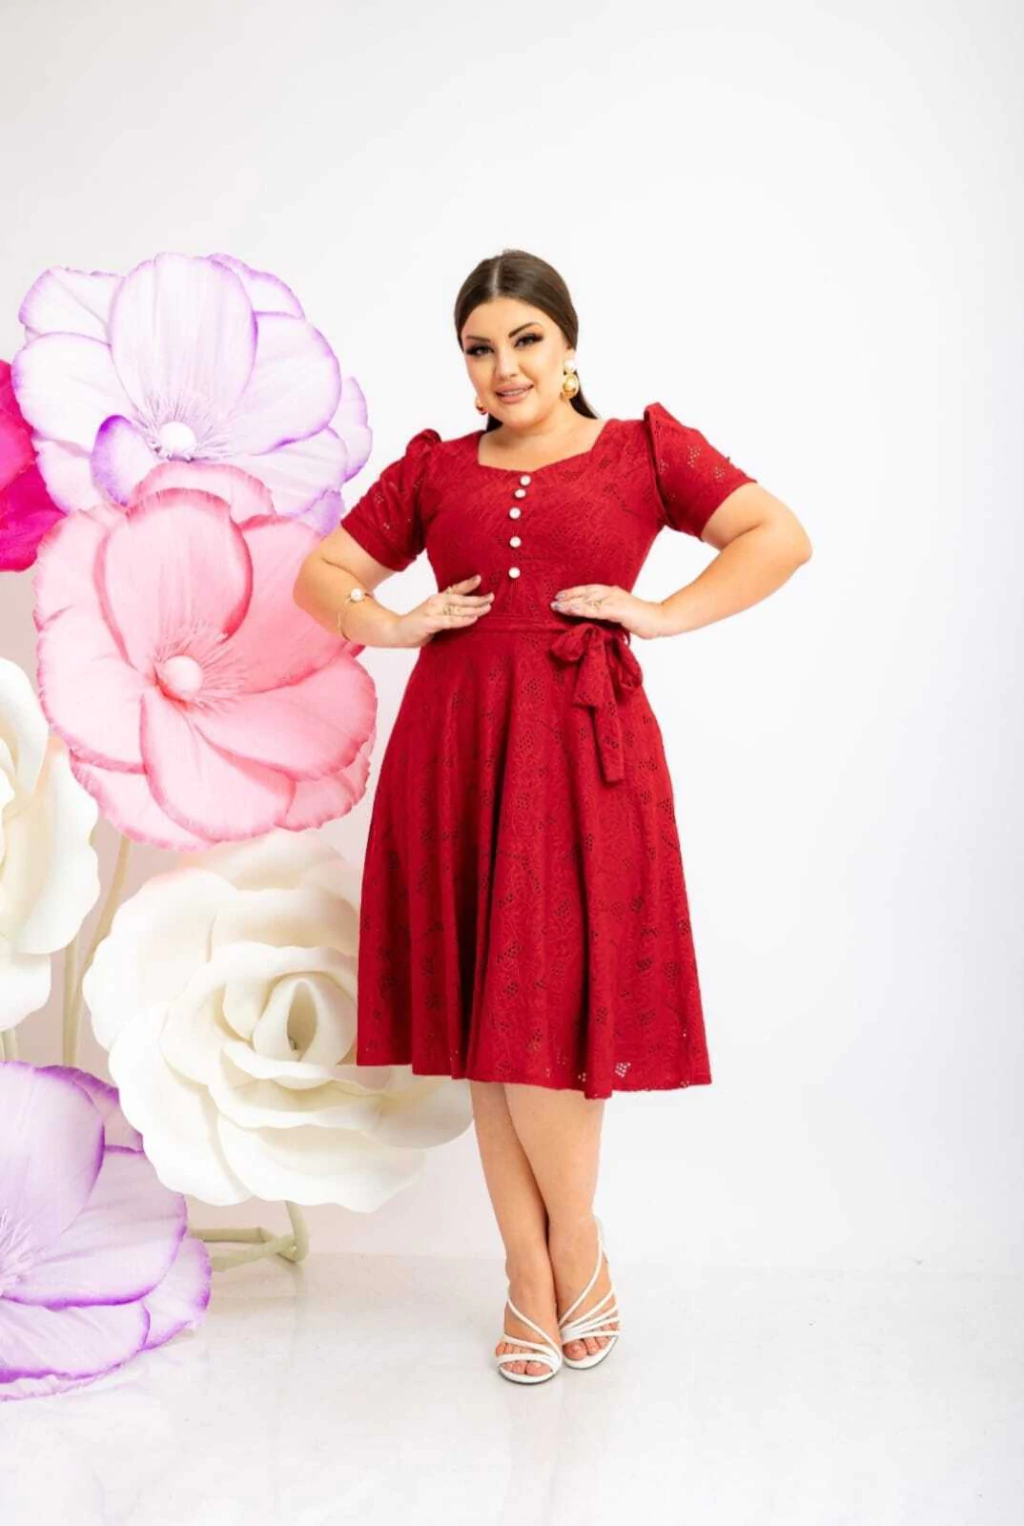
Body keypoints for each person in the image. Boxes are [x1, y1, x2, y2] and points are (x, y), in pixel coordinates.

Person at [293, 248, 812, 1385]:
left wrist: (661, 613)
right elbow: (322, 573)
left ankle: (574, 1249)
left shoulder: (642, 449)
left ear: (568, 345)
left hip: (583, 755)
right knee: (492, 1019)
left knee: (548, 1015)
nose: (505, 366)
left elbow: (777, 534)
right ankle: (532, 1276)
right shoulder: (436, 469)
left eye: (525, 339)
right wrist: (397, 623)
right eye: (479, 348)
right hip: (457, 749)